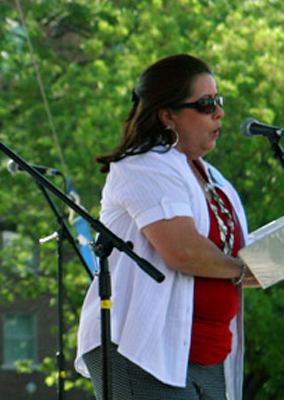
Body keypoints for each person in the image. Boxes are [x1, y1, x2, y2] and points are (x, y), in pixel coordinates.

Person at [75, 54, 259, 400]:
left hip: (207, 354)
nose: (219, 113)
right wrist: (245, 270)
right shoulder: (144, 164)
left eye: (218, 102)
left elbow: (230, 255)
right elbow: (184, 251)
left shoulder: (212, 177)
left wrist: (266, 263)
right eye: (206, 104)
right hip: (142, 350)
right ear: (167, 115)